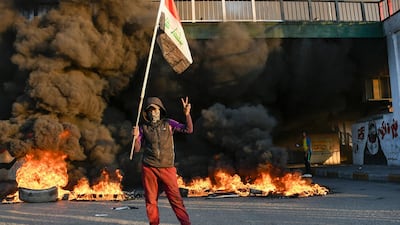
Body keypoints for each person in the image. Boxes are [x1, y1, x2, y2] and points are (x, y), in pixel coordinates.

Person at [132, 96, 192, 225]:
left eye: (156, 109)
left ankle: (186, 223)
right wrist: (136, 137)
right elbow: (136, 149)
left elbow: (188, 129)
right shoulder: (144, 128)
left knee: (176, 199)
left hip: (167, 167)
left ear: (161, 110)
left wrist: (187, 115)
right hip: (149, 168)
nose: (154, 113)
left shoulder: (169, 123)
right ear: (147, 113)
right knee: (151, 200)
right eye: (151, 110)